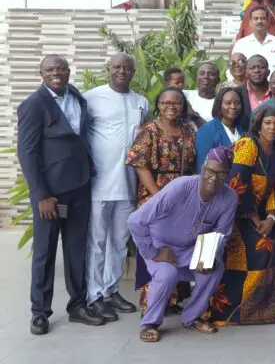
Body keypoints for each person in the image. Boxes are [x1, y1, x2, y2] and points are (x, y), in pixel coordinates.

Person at [18, 55, 103, 334]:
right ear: (41, 73)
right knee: (44, 251)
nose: (57, 73)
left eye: (61, 69)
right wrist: (41, 194)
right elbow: (27, 153)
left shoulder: (75, 96)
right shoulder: (34, 105)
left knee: (76, 249)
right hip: (50, 194)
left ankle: (77, 305)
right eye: (50, 70)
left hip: (79, 186)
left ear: (68, 72)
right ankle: (40, 312)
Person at [129, 147, 238, 342]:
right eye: (210, 171)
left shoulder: (229, 197)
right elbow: (135, 220)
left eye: (221, 173)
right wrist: (153, 252)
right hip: (161, 245)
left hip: (191, 248)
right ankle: (150, 322)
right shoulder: (180, 186)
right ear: (203, 168)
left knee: (213, 268)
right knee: (167, 274)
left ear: (227, 175)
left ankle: (192, 317)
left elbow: (222, 232)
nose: (214, 177)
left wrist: (208, 255)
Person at [208, 106, 275, 326]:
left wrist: (271, 218)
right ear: (259, 124)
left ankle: (266, 309)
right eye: (268, 123)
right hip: (233, 212)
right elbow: (236, 184)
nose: (272, 128)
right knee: (258, 249)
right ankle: (233, 310)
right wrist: (256, 220)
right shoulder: (247, 145)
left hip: (262, 214)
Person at [83, 53, 150, 320]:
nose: (122, 71)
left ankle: (110, 290)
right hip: (99, 182)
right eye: (117, 67)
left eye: (127, 67)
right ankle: (94, 294)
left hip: (128, 183)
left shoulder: (140, 102)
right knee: (97, 241)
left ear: (133, 72)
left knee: (120, 241)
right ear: (108, 68)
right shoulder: (90, 99)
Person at [126, 87, 197, 315]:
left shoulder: (188, 131)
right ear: (158, 105)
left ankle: (172, 300)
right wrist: (158, 195)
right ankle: (151, 303)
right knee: (156, 251)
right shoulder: (149, 130)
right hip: (154, 194)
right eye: (166, 103)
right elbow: (140, 164)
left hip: (182, 197)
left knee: (176, 247)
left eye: (176, 103)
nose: (171, 107)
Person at [194, 87, 247, 172]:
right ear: (219, 105)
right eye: (228, 103)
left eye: (237, 103)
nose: (233, 107)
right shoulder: (207, 131)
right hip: (216, 183)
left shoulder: (243, 130)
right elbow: (202, 167)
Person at [232, 5, 275, 78]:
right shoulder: (241, 44)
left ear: (268, 22)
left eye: (263, 18)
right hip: (247, 88)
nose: (259, 21)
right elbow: (232, 68)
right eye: (256, 18)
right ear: (250, 22)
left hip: (274, 88)